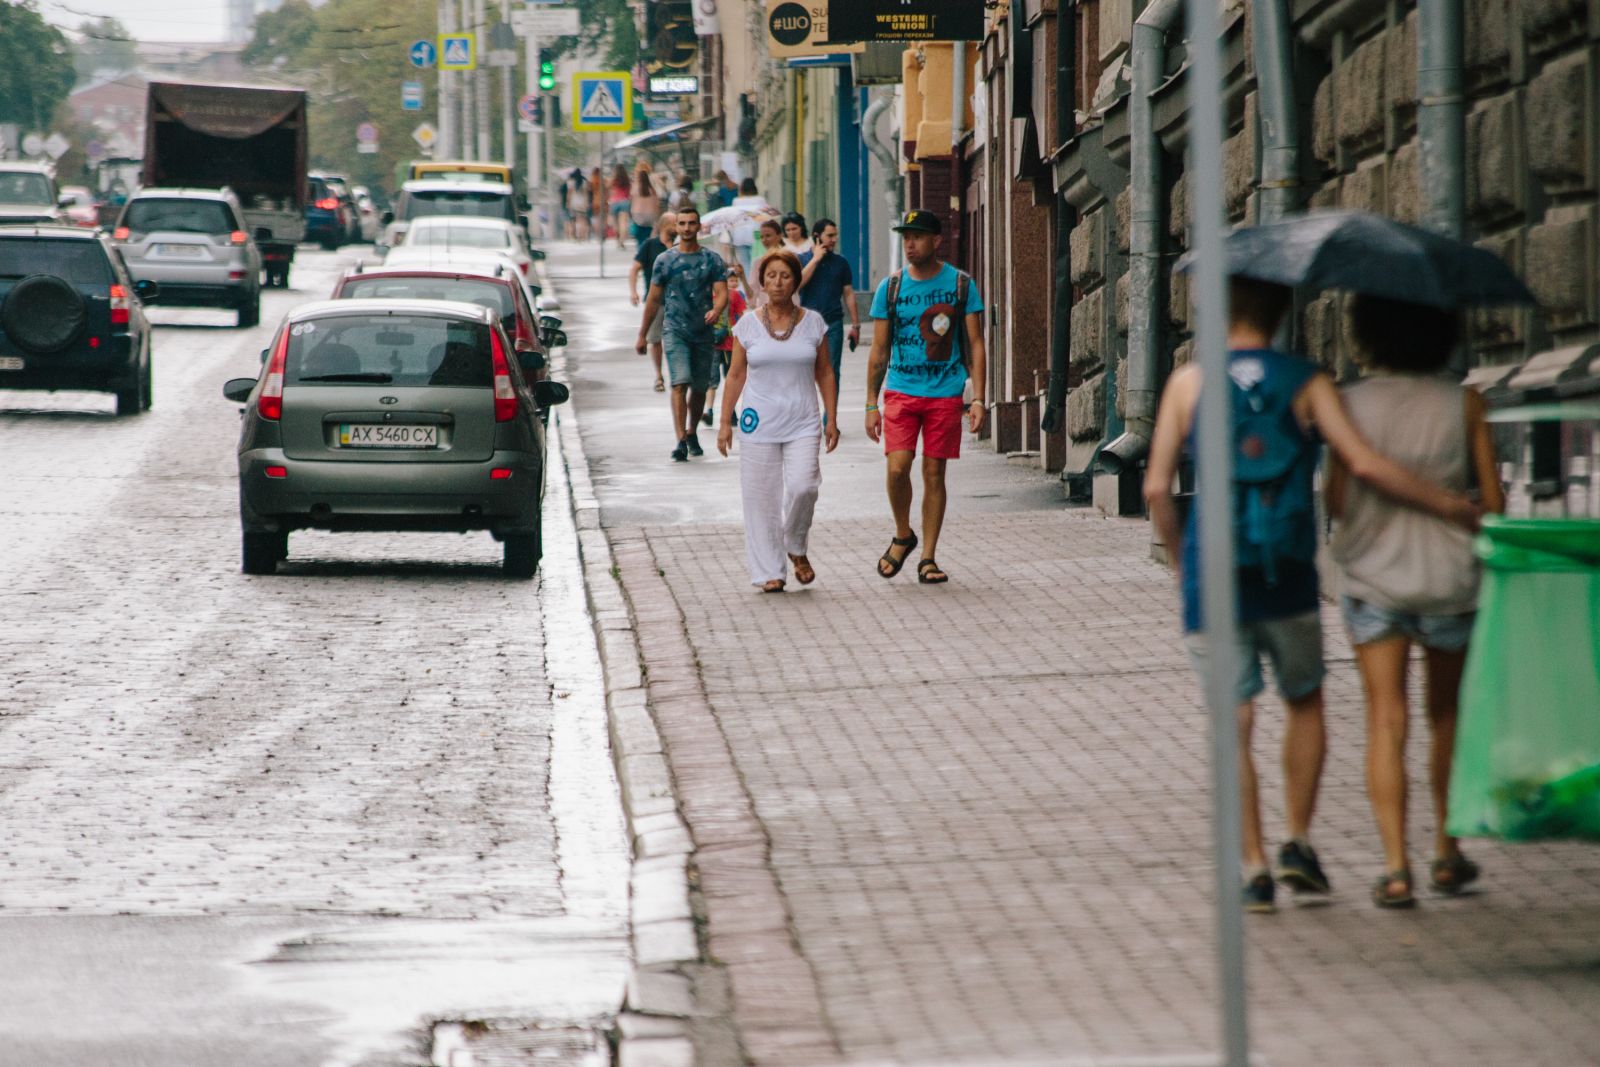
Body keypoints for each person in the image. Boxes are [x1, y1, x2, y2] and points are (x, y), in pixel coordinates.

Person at [1141, 276, 1483, 915]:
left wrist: (1181, 558)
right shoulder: (1308, 381)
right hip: (1288, 572)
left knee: (1233, 719)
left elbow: (1158, 487)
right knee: (1303, 701)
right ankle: (1299, 839)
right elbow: (1366, 465)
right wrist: (1451, 507)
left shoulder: (1189, 383)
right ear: (1278, 314)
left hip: (1214, 576)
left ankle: (1253, 867)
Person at [1327, 294, 1504, 909]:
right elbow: (1495, 505)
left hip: (1374, 579)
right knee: (1446, 716)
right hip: (1450, 581)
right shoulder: (1466, 402)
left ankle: (1396, 865)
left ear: (1367, 333)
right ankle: (1448, 851)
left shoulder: (1349, 405)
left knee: (1386, 718)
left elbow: (1337, 501)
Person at [864, 209, 986, 586]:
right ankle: (904, 534)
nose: (910, 244)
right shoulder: (892, 287)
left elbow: (977, 344)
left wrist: (978, 398)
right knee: (897, 467)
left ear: (937, 241)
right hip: (901, 391)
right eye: (906, 237)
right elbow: (880, 349)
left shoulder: (961, 285)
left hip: (945, 392)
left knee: (934, 473)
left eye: (917, 237)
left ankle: (928, 558)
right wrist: (871, 404)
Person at [717, 250, 840, 592]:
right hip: (760, 423)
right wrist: (726, 421)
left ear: (795, 280)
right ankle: (770, 571)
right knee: (761, 498)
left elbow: (826, 371)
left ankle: (795, 544)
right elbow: (736, 375)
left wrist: (832, 417)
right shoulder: (748, 325)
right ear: (762, 281)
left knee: (805, 486)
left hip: (803, 420)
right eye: (770, 276)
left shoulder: (813, 322)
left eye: (785, 275)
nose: (777, 282)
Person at [636, 205, 728, 461]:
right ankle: (680, 441)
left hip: (703, 332)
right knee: (680, 383)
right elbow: (653, 300)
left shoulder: (711, 260)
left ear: (698, 227)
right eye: (682, 223)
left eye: (691, 223)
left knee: (699, 388)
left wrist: (717, 310)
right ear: (676, 227)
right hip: (675, 330)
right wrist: (642, 334)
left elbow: (722, 293)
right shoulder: (665, 261)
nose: (687, 228)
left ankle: (691, 431)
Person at [797, 217, 861, 406]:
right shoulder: (802, 259)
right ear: (816, 237)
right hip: (806, 324)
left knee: (832, 370)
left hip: (832, 323)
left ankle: (830, 416)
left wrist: (855, 325)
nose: (834, 239)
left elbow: (848, 293)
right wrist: (816, 259)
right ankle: (809, 411)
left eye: (835, 236)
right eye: (829, 235)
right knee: (806, 370)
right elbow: (798, 284)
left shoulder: (841, 262)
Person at [631, 212, 677, 393]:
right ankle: (658, 375)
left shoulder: (681, 246)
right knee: (655, 339)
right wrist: (633, 291)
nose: (680, 227)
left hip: (676, 301)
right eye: (676, 223)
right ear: (665, 225)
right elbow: (634, 268)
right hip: (656, 301)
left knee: (674, 339)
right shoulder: (650, 245)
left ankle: (676, 376)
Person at [704, 267, 749, 427]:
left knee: (713, 380)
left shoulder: (709, 296)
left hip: (714, 344)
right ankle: (731, 412)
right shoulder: (734, 295)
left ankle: (710, 410)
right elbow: (743, 315)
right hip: (730, 344)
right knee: (731, 378)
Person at [728, 178, 772, 274]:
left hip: (739, 236)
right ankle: (756, 285)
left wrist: (731, 237)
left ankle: (747, 287)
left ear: (742, 189)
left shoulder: (736, 201)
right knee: (757, 262)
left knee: (744, 264)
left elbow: (733, 219)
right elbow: (766, 217)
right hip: (756, 236)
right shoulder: (760, 200)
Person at [630, 163, 661, 248]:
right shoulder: (652, 190)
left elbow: (632, 201)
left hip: (638, 215)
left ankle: (640, 251)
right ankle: (645, 249)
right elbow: (657, 204)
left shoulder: (636, 188)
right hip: (650, 215)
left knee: (639, 237)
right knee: (647, 236)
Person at [608, 164, 632, 249]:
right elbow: (629, 193)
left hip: (614, 202)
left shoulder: (613, 180)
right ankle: (621, 241)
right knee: (623, 223)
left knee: (615, 224)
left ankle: (618, 239)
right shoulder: (627, 180)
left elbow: (610, 190)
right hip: (624, 201)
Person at [565, 170, 589, 240]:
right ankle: (582, 236)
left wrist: (568, 203)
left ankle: (576, 235)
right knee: (582, 220)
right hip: (582, 203)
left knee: (573, 220)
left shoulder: (571, 182)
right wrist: (586, 203)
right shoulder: (584, 182)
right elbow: (586, 194)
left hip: (573, 203)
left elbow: (569, 194)